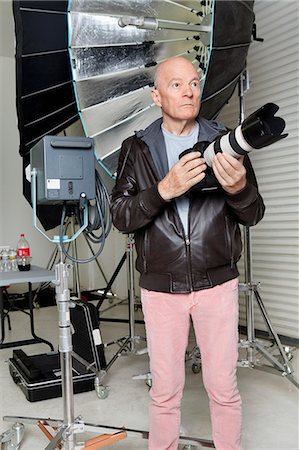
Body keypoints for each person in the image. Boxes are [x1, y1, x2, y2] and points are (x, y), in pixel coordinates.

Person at [111, 56, 265, 450]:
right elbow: (121, 215)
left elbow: (253, 213)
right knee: (165, 391)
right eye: (176, 84)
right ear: (156, 95)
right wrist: (164, 188)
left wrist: (240, 189)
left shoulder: (226, 140)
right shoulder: (138, 148)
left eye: (194, 83)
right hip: (162, 288)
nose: (189, 91)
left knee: (223, 386)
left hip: (217, 284)